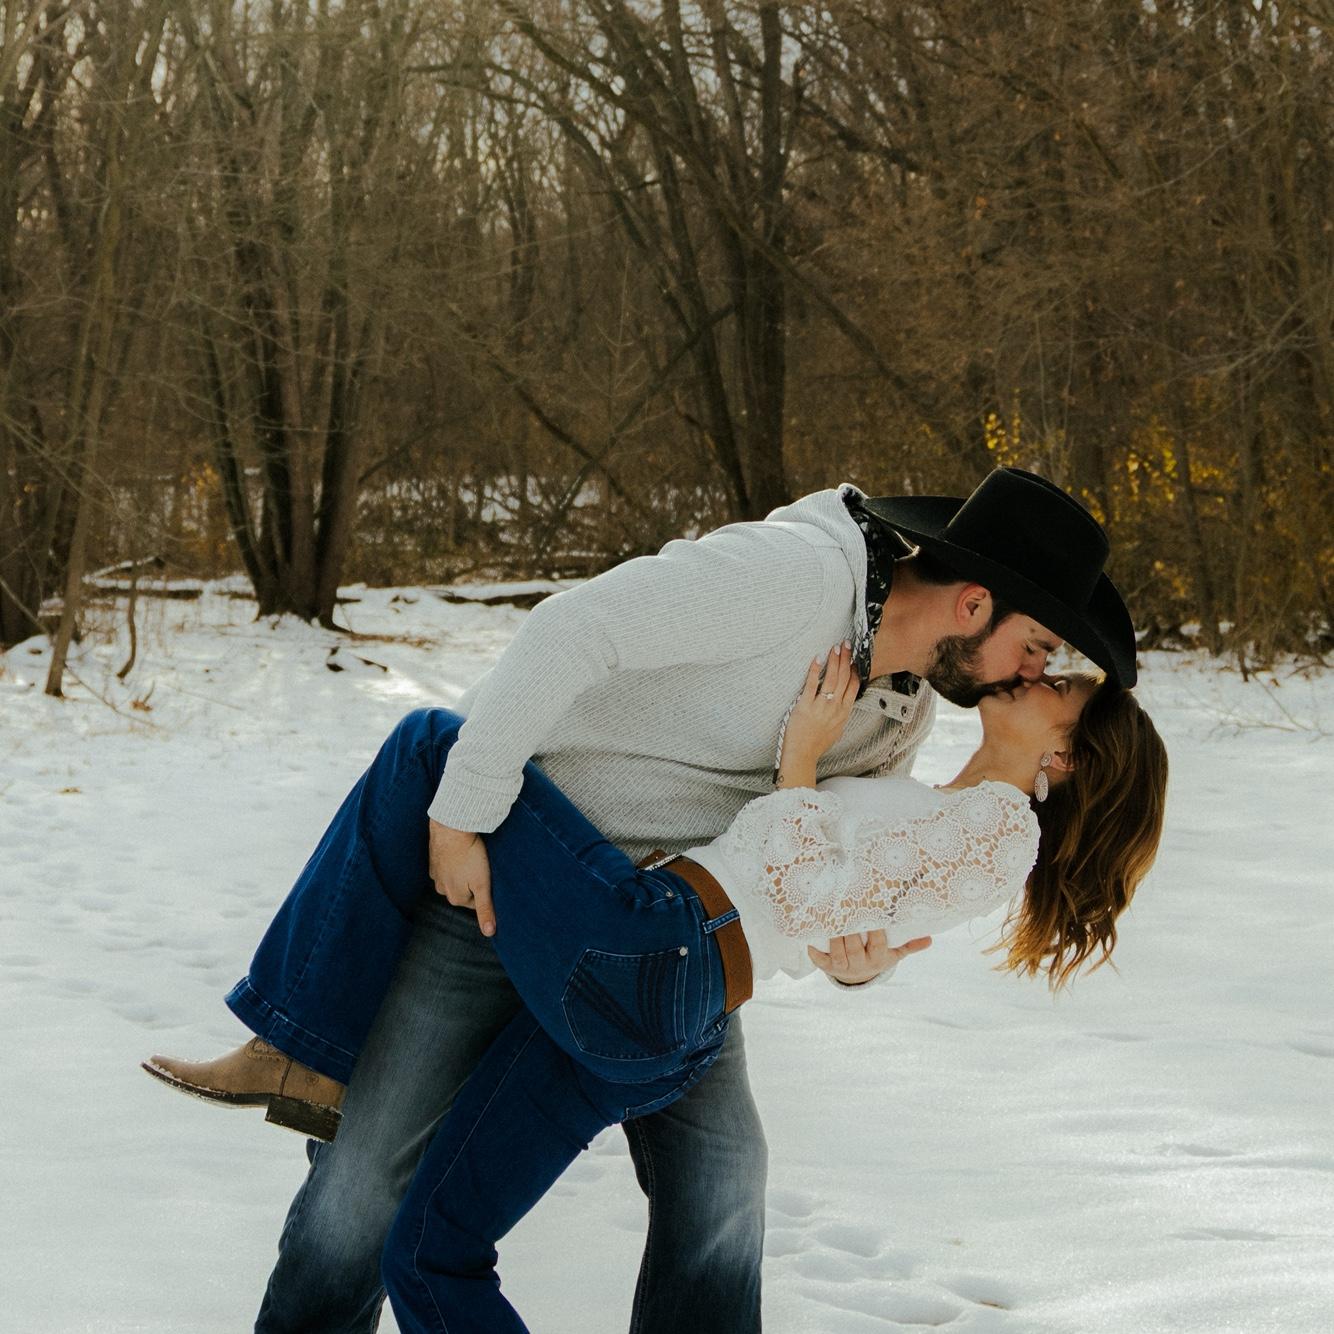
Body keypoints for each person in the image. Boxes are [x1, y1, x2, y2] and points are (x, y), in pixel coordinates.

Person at [147, 467, 1143, 1334]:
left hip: (661, 932)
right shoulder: (792, 576)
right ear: (974, 603)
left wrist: (858, 959)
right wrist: (460, 813)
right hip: (504, 874)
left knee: (723, 1184)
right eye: (1036, 643)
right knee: (365, 1184)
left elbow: (828, 869)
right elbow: (571, 628)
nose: (1039, 668)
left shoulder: (901, 712)